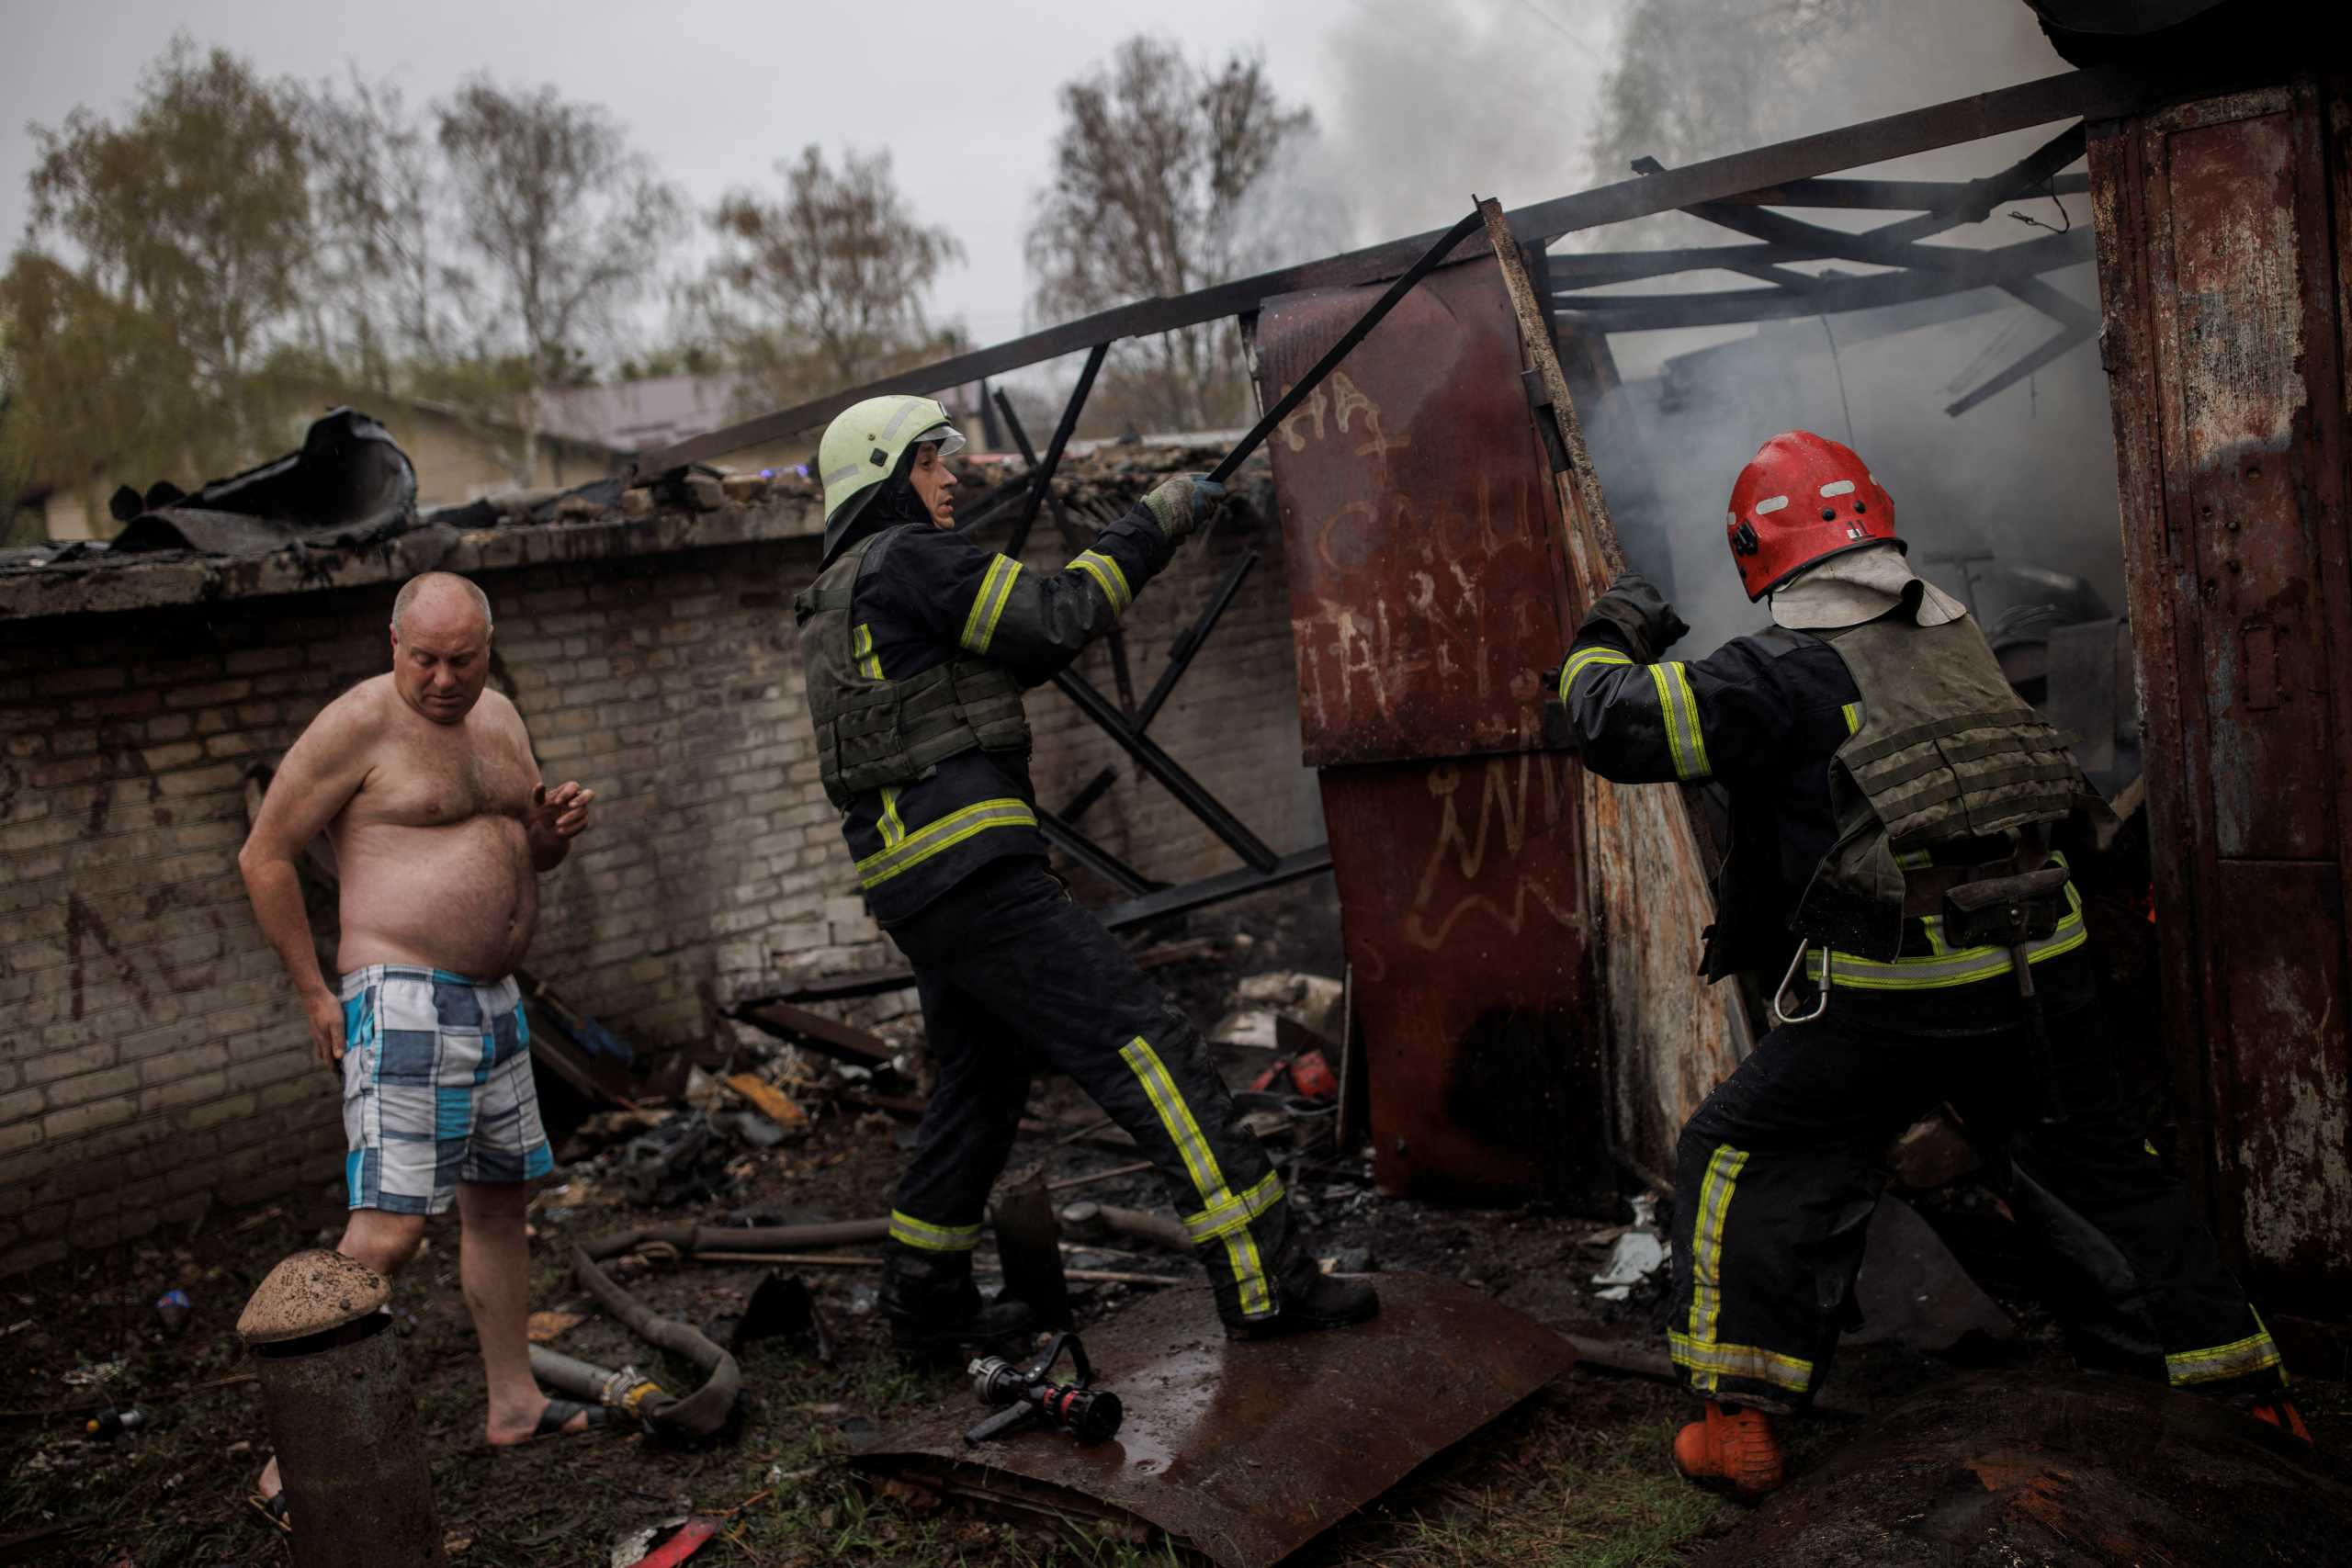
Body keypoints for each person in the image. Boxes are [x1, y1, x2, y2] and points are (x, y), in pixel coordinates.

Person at [1555, 431, 2308, 1497]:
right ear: (1877, 522)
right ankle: (2244, 1391)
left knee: (1745, 1152)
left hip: (1887, 1000)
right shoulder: (1960, 637)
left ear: (1755, 550)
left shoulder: (1779, 673)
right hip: (2043, 971)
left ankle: (1739, 1421)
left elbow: (1609, 724)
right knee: (2100, 1160)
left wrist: (1609, 629)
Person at [795, 393, 1377, 1355]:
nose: (951, 481)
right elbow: (1055, 617)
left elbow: (982, 669)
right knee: (1146, 1049)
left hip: (917, 890)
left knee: (978, 1086)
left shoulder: (845, 596)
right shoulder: (912, 560)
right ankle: (1265, 1279)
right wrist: (1156, 519)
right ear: (888, 474)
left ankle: (925, 1309)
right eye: (932, 464)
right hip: (976, 877)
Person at [237, 571, 599, 1521]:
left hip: (492, 999)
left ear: (488, 648)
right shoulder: (357, 724)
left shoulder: (504, 718)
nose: (442, 679)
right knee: (391, 1227)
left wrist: (550, 834)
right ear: (392, 642)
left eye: (462, 659)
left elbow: (522, 847)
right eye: (423, 659)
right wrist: (316, 993)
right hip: (401, 993)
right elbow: (264, 854)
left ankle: (514, 1401)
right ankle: (290, 1466)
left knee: (496, 1203)